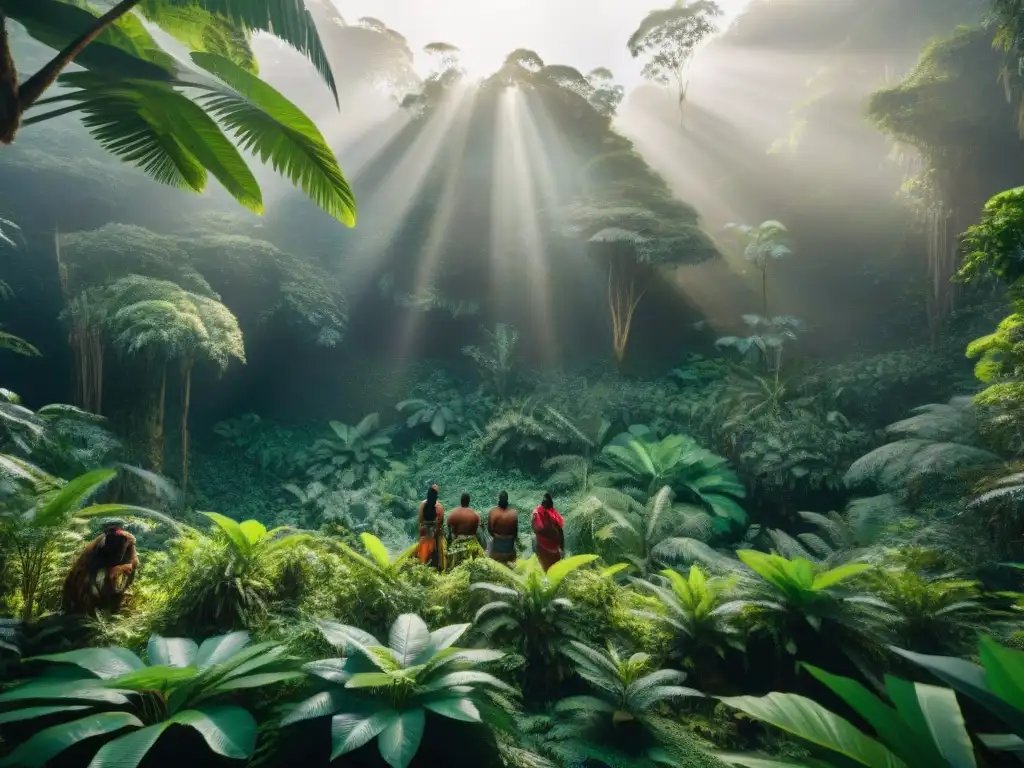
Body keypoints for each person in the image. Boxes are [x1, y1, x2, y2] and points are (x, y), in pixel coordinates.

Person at [62, 520, 139, 616]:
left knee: (115, 592)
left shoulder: (128, 541)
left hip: (117, 563)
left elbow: (134, 565)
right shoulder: (94, 554)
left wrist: (120, 569)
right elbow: (86, 578)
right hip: (90, 572)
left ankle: (113, 606)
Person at [446, 492, 483, 569]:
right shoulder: (475, 515)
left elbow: (449, 529)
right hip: (472, 543)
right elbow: (476, 531)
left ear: (461, 501)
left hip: (458, 543)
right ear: (469, 501)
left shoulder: (453, 514)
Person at [532, 493, 564, 572]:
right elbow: (536, 530)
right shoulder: (537, 513)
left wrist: (562, 548)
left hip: (553, 548)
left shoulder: (553, 513)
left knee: (553, 570)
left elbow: (560, 531)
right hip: (544, 547)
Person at [417, 483, 447, 570]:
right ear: (436, 496)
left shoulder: (422, 504)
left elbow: (420, 520)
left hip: (424, 535)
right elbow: (440, 523)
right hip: (434, 537)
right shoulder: (439, 507)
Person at [487, 491, 519, 565]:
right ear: (507, 500)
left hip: (497, 549)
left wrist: (498, 536)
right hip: (509, 549)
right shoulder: (513, 514)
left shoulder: (493, 512)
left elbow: (490, 531)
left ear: (499, 500)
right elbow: (515, 533)